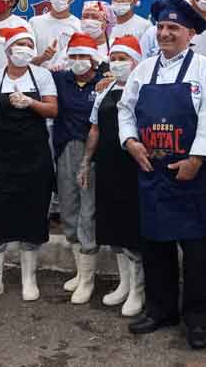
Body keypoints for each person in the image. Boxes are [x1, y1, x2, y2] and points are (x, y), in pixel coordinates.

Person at [118, 0, 206, 349]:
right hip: (152, 171)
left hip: (192, 174)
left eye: (173, 28)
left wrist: (196, 159)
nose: (165, 33)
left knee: (196, 254)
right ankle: (160, 309)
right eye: (161, 27)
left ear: (190, 33)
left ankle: (197, 320)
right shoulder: (143, 69)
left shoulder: (205, 69)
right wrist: (130, 142)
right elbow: (125, 109)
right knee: (155, 247)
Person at [0, 27, 58, 305]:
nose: (24, 48)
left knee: (32, 218)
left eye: (28, 44)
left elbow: (53, 110)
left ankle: (28, 280)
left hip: (36, 159)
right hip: (3, 159)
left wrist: (30, 102)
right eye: (19, 44)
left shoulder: (43, 76)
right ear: (8, 49)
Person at [79, 35, 147, 317]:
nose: (118, 64)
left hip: (132, 166)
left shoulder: (144, 88)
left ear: (136, 62)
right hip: (106, 164)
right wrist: (85, 161)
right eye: (115, 58)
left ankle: (139, 290)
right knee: (113, 227)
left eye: (124, 59)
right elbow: (94, 128)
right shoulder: (104, 91)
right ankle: (124, 283)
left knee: (131, 228)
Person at [52, 33, 105, 304]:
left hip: (92, 153)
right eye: (73, 56)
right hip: (65, 150)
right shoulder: (61, 79)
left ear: (94, 58)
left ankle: (88, 280)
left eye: (83, 56)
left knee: (88, 212)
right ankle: (79, 271)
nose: (78, 61)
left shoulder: (102, 82)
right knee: (69, 208)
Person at [30, 0, 81, 70]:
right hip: (38, 79)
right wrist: (43, 58)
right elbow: (28, 61)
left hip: (66, 81)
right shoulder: (35, 23)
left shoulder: (78, 26)